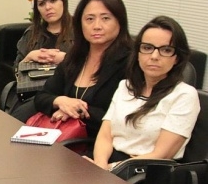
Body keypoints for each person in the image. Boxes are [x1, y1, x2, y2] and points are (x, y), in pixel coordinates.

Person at [85, 16, 199, 169]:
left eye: (166, 50)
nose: (154, 56)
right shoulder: (126, 86)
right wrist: (100, 165)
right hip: (108, 163)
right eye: (147, 48)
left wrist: (111, 168)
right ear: (138, 52)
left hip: (144, 172)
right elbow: (105, 136)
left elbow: (162, 154)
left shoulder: (184, 95)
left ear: (177, 58)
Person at [28, 0, 133, 137]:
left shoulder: (130, 62)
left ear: (120, 21)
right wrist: (60, 101)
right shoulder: (76, 56)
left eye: (105, 18)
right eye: (90, 19)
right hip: (62, 138)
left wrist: (76, 110)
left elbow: (123, 118)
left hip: (101, 144)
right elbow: (42, 96)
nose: (97, 26)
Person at [15, 0, 73, 69]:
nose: (47, 7)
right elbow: (16, 72)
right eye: (41, 4)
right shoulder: (31, 34)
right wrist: (29, 57)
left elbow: (92, 68)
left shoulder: (80, 32)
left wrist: (67, 59)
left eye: (53, 1)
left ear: (64, 1)